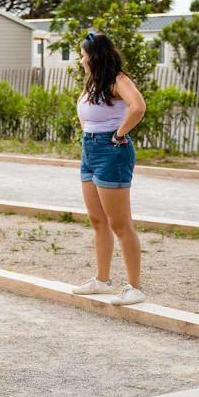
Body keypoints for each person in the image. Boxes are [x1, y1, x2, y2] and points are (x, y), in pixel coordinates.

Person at [70, 32, 148, 306]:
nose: (81, 59)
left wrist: (118, 134)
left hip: (111, 151)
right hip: (89, 149)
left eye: (83, 54)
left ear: (94, 56)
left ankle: (134, 287)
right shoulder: (93, 83)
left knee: (120, 223)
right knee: (97, 221)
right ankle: (102, 281)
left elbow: (138, 106)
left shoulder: (118, 80)